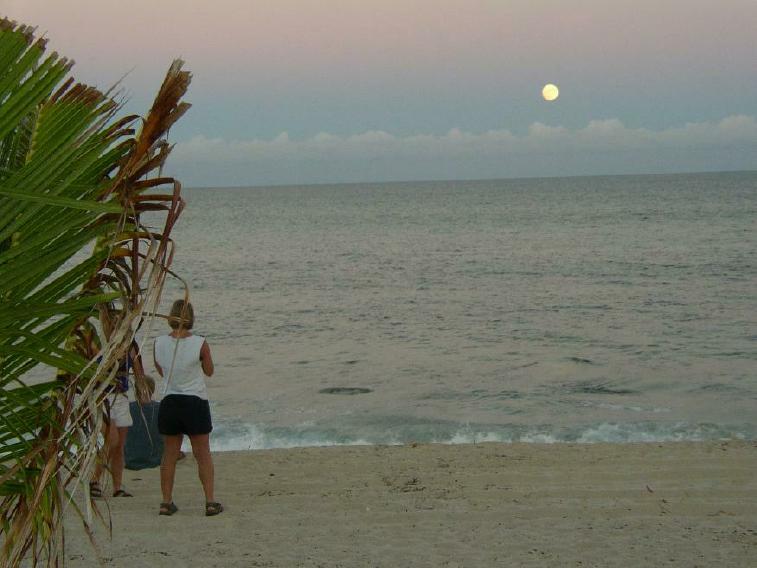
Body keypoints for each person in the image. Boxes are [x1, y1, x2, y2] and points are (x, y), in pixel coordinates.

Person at [153, 299, 223, 516]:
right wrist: (201, 361)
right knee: (202, 453)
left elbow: (161, 369)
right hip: (194, 400)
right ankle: (210, 501)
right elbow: (209, 371)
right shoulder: (200, 343)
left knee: (170, 454)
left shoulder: (159, 342)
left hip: (170, 400)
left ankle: (166, 501)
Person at [90, 341, 145, 498]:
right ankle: (94, 479)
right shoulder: (99, 342)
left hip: (121, 396)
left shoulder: (131, 345)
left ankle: (117, 487)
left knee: (119, 444)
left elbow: (138, 371)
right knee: (111, 440)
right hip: (101, 396)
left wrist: (143, 390)